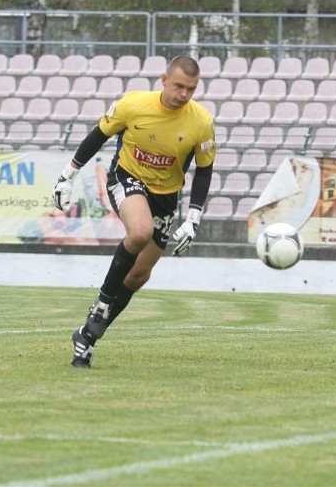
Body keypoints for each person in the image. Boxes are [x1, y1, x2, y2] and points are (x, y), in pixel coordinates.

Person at [53, 55, 217, 368]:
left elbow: (205, 170)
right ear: (164, 80)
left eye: (191, 89)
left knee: (140, 274)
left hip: (167, 196)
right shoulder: (133, 105)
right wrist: (68, 174)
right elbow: (98, 135)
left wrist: (193, 217)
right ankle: (101, 303)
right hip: (128, 178)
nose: (184, 94)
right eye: (179, 86)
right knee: (140, 232)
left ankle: (87, 336)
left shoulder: (201, 122)